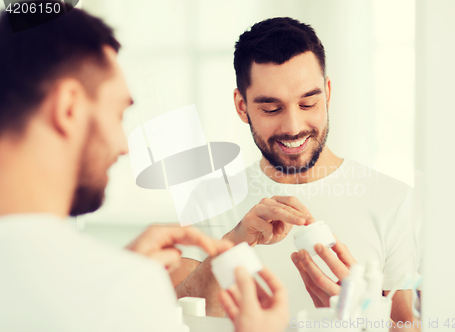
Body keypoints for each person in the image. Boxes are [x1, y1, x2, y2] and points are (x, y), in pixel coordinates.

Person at [0, 4, 288, 332]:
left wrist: (119, 273)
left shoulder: (114, 285)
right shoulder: (124, 290)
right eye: (118, 114)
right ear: (69, 109)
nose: (124, 145)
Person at [173, 17, 419, 325]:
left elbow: (408, 326)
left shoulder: (392, 201)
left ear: (327, 94)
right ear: (241, 106)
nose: (293, 127)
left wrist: (363, 317)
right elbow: (173, 318)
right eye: (271, 109)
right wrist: (233, 244)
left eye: (308, 104)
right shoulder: (209, 200)